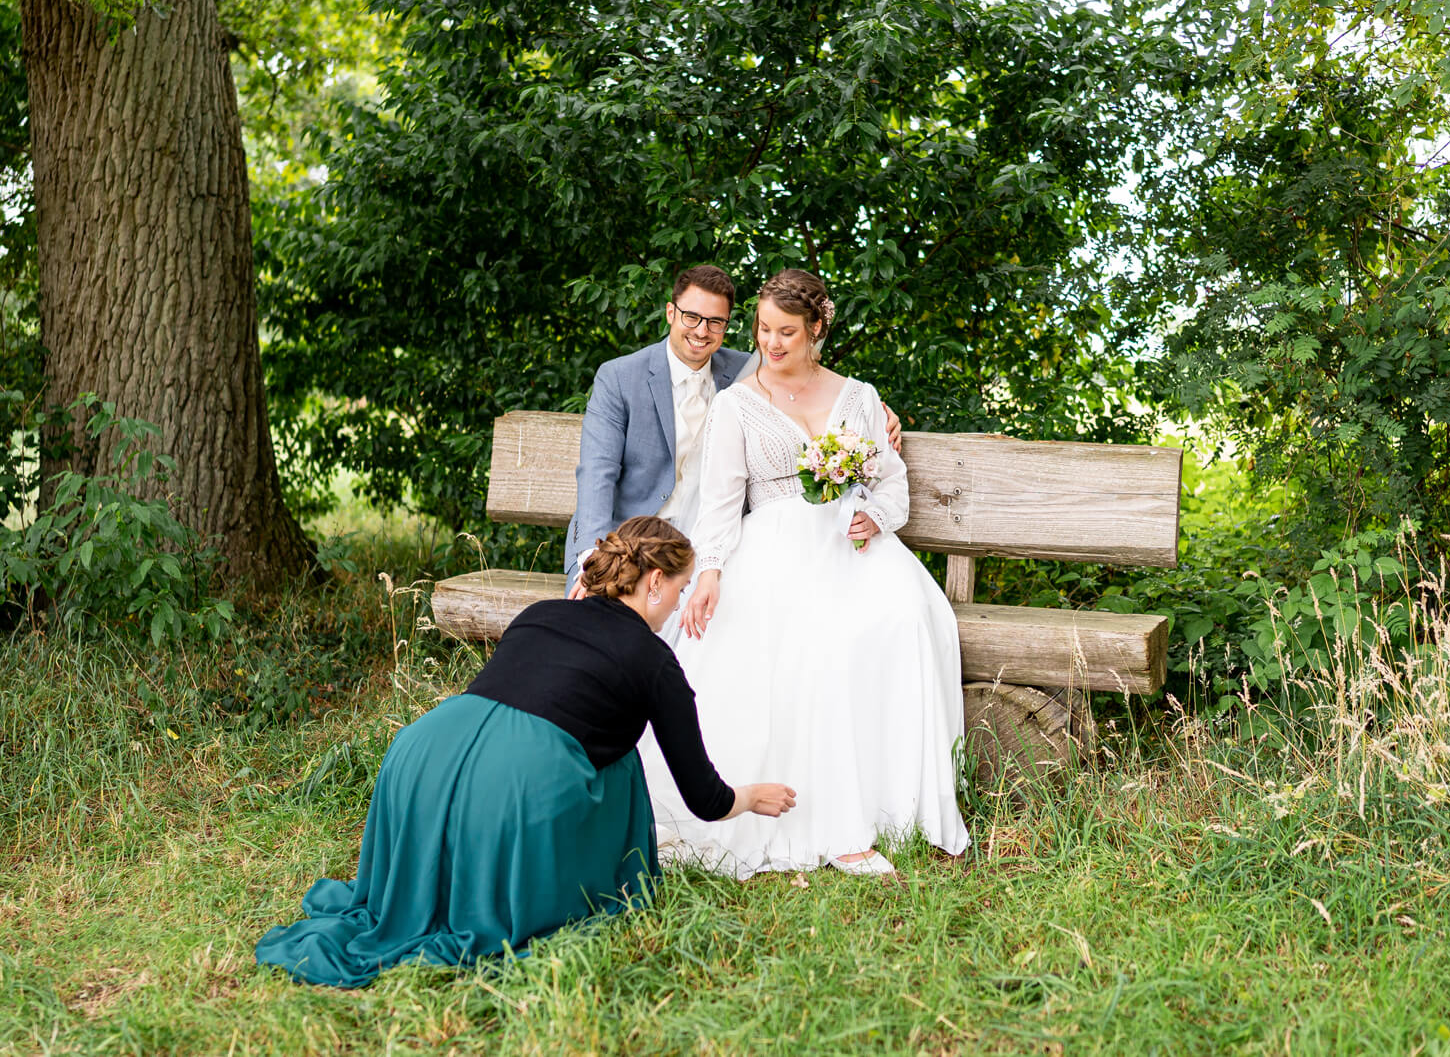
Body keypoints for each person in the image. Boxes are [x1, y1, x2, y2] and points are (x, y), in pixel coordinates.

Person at [255, 517, 796, 988]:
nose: (679, 603)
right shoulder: (655, 661)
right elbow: (703, 798)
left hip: (419, 759)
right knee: (620, 761)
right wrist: (752, 797)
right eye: (680, 588)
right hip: (513, 785)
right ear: (655, 581)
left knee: (606, 750)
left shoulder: (540, 613)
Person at [641, 270, 970, 878]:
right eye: (763, 329)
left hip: (853, 546)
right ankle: (813, 817)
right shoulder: (737, 405)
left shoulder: (860, 397)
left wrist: (874, 516)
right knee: (809, 640)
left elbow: (892, 485)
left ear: (816, 328)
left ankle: (889, 806)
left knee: (908, 616)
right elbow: (719, 504)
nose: (771, 343)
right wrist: (709, 571)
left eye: (786, 332)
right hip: (773, 547)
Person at [564, 264, 903, 609]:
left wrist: (879, 414)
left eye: (715, 322)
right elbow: (597, 473)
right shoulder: (619, 378)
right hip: (630, 543)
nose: (702, 331)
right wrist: (593, 560)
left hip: (704, 544)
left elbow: (815, 391)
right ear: (670, 312)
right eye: (691, 317)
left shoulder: (750, 371)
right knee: (597, 621)